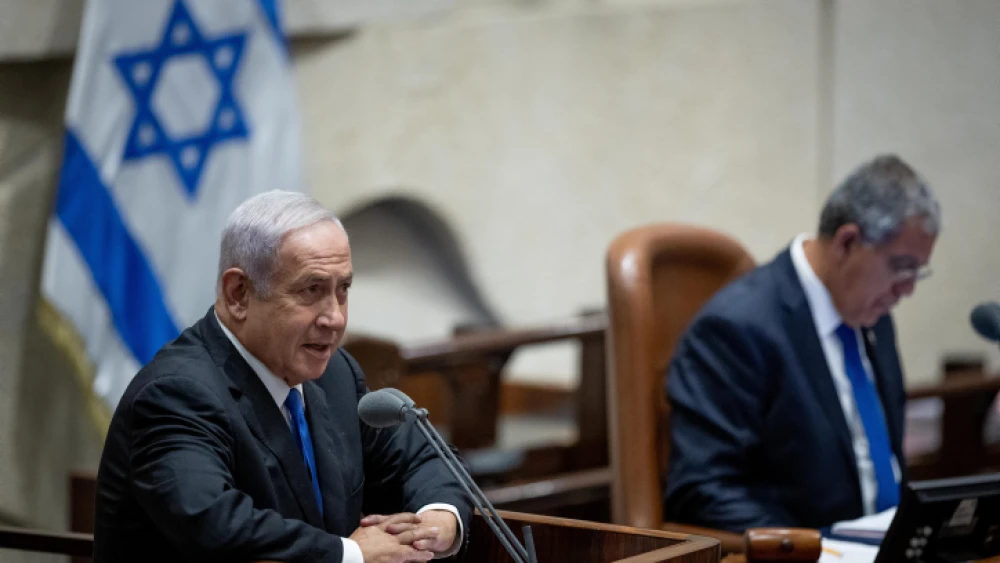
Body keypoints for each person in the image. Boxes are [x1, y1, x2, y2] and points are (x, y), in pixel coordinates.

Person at [94, 191, 471, 563]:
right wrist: (353, 554)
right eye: (312, 290)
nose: (335, 317)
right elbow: (213, 523)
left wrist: (436, 521)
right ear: (238, 294)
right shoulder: (175, 394)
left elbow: (422, 459)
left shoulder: (335, 374)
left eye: (342, 290)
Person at [664, 155, 940, 532]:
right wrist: (812, 550)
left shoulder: (873, 315)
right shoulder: (738, 327)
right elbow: (702, 491)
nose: (907, 290)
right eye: (902, 267)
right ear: (847, 243)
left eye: (917, 273)